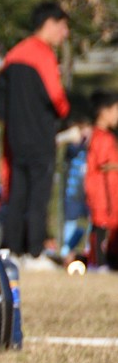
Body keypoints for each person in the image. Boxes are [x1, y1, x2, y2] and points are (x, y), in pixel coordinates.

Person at [0, 2, 71, 263]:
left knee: (17, 192)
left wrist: (9, 118)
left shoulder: (14, 54)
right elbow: (56, 96)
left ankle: (12, 250)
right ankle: (35, 251)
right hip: (39, 135)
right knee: (39, 194)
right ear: (49, 24)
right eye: (63, 26)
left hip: (15, 136)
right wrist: (65, 113)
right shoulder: (43, 54)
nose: (65, 33)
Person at [83, 92, 118, 270]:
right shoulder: (102, 137)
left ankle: (102, 261)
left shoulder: (101, 135)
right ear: (104, 111)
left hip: (107, 191)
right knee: (101, 226)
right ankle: (99, 263)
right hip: (101, 191)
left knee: (104, 226)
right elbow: (104, 164)